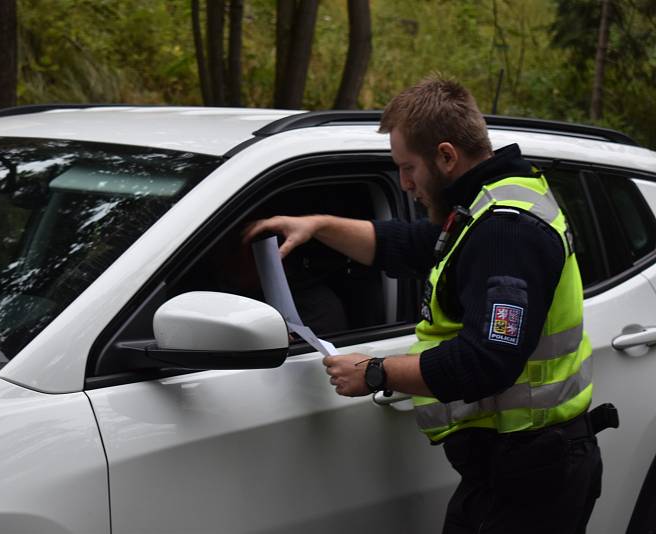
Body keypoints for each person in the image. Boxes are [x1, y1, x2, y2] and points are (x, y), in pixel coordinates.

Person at [243, 76, 603, 533]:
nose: (404, 183)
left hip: (535, 475)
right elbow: (416, 244)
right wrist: (318, 225)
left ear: (447, 156)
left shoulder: (506, 231)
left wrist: (376, 372)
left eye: (408, 167)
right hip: (512, 467)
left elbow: (489, 359)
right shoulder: (486, 205)